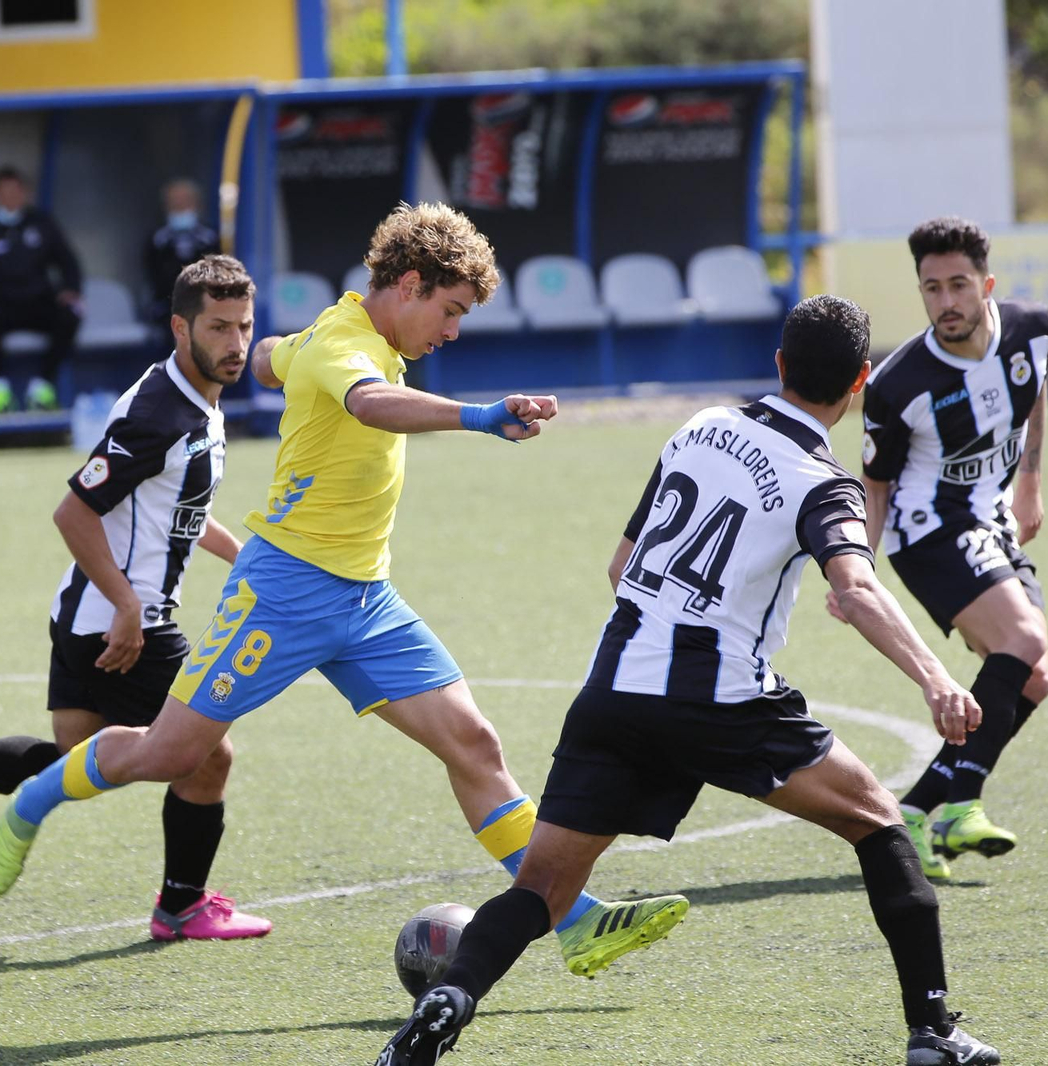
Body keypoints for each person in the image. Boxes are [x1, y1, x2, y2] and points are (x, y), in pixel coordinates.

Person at [0, 201, 688, 979]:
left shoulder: (342, 333)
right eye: (448, 312)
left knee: (474, 744)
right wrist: (481, 416)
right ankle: (34, 798)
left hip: (366, 598)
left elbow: (278, 357)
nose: (451, 332)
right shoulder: (349, 345)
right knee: (169, 751)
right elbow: (369, 403)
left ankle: (575, 922)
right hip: (282, 592)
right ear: (409, 284)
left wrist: (284, 350)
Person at [376, 295, 1001, 1066]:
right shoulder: (824, 482)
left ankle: (443, 1008)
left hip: (613, 689)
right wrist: (938, 678)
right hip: (723, 699)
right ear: (861, 381)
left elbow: (620, 568)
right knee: (878, 823)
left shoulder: (700, 427)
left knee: (538, 891)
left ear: (778, 364)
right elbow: (857, 589)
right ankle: (934, 1034)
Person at [0, 256, 271, 941]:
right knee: (205, 758)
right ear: (178, 325)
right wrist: (129, 607)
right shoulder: (160, 413)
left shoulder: (194, 399)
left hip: (82, 612)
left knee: (77, 760)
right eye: (218, 327)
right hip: (129, 621)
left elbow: (176, 507)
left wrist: (244, 557)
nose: (235, 343)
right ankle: (183, 906)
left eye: (244, 327)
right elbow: (73, 513)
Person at [829, 216, 1048, 883]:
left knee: (1032, 679)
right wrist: (856, 571)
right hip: (927, 531)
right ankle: (961, 804)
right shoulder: (899, 386)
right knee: (1023, 637)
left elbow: (1036, 389)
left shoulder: (1030, 328)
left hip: (990, 520)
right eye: (933, 289)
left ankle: (915, 814)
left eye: (959, 285)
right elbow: (872, 485)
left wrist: (1031, 484)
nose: (947, 301)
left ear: (985, 284)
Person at [0, 166, 82, 414]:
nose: (11, 197)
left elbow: (68, 260)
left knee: (71, 314)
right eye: (4, 191)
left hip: (36, 302)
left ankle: (41, 389)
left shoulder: (41, 224)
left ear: (25, 194)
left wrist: (70, 288)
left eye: (16, 191)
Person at [144, 179, 221, 327]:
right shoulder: (157, 240)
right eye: (174, 203)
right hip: (167, 307)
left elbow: (217, 271)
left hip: (204, 304)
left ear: (196, 204)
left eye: (184, 202)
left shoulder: (209, 238)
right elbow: (153, 274)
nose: (179, 207)